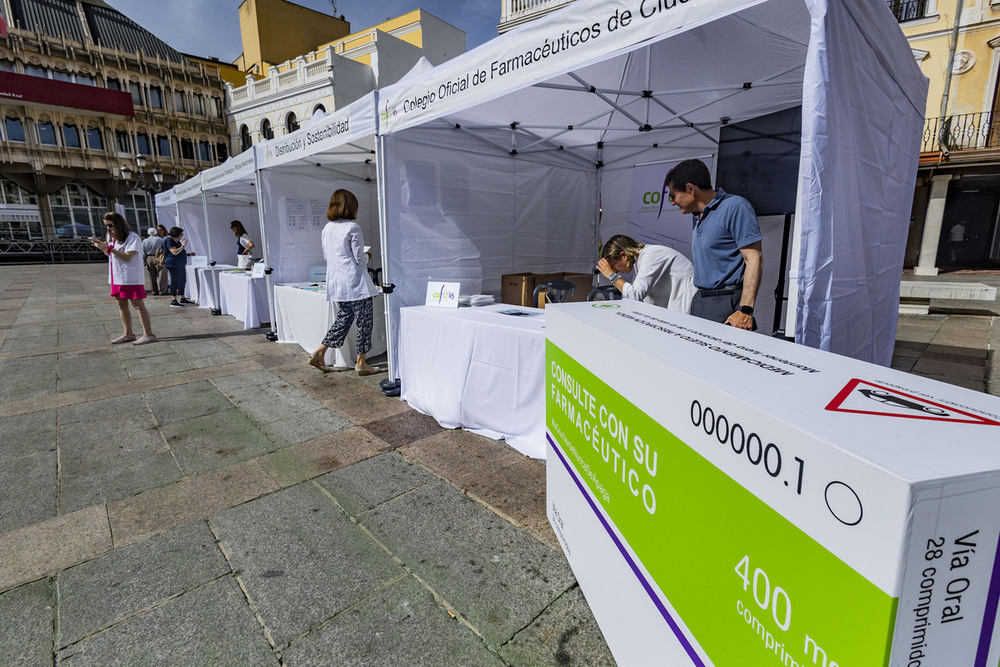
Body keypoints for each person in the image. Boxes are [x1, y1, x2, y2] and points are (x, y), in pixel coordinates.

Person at [664, 159, 762, 330]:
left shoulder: (735, 207)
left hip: (726, 303)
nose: (672, 202)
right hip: (700, 300)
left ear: (690, 189)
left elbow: (754, 258)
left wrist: (745, 309)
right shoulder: (697, 216)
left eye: (673, 195)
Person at [308, 189, 379, 376]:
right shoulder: (352, 227)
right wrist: (368, 254)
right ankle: (361, 363)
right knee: (364, 322)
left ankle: (320, 352)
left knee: (344, 319)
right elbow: (359, 259)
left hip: (337, 282)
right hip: (355, 283)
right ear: (350, 206)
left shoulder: (327, 228)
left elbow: (327, 256)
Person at [91, 212, 156, 345]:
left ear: (118, 223)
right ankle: (128, 333)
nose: (108, 228)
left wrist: (108, 248)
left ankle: (148, 334)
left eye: (110, 225)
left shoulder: (133, 237)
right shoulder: (111, 236)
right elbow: (111, 254)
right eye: (106, 225)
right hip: (116, 276)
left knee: (138, 304)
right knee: (121, 304)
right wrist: (103, 248)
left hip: (130, 277)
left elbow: (127, 256)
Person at [596, 235, 696, 313]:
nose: (616, 271)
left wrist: (612, 276)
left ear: (623, 256)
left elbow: (635, 295)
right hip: (677, 307)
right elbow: (639, 299)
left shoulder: (651, 255)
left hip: (689, 307)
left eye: (613, 266)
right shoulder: (639, 263)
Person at [163, 226, 196, 307]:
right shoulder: (168, 240)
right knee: (175, 281)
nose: (182, 236)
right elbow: (174, 252)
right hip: (173, 264)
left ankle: (182, 297)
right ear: (176, 234)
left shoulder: (176, 241)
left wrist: (188, 254)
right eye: (181, 234)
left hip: (179, 263)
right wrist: (183, 245)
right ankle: (173, 300)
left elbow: (179, 251)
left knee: (182, 280)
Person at [141, 227, 166, 296]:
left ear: (148, 233)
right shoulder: (160, 239)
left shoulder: (145, 241)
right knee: (161, 274)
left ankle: (154, 290)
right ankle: (162, 290)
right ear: (156, 233)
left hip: (148, 257)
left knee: (151, 275)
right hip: (159, 256)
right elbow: (164, 249)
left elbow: (143, 252)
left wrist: (143, 261)